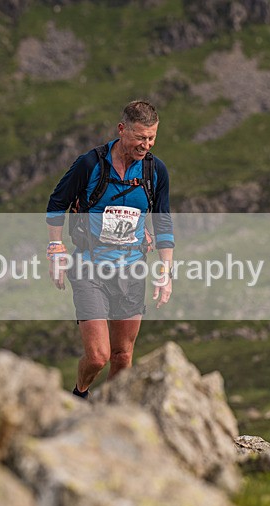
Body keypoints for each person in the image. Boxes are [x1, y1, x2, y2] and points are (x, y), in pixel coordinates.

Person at [45, 100, 174, 399]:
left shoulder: (156, 171)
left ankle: (111, 416)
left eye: (152, 137)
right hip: (89, 268)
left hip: (131, 270)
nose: (146, 145)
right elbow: (56, 204)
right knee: (98, 356)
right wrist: (56, 248)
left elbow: (163, 224)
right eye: (140, 137)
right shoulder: (90, 165)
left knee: (123, 356)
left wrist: (165, 272)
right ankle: (80, 395)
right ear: (121, 130)